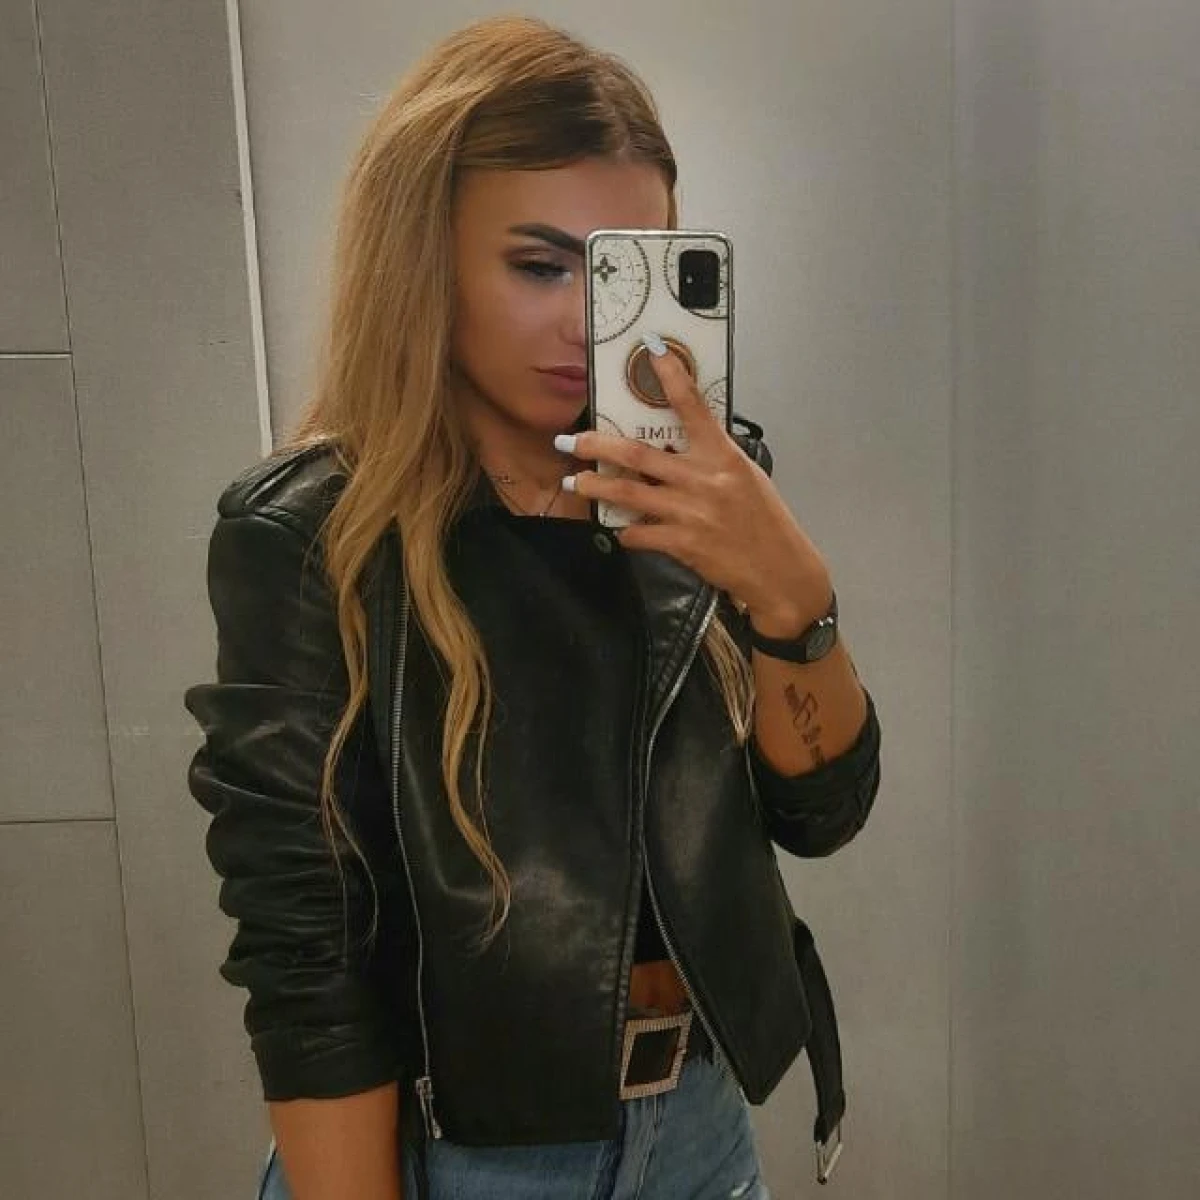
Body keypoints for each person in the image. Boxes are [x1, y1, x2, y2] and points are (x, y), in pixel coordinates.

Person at [184, 14, 881, 1200]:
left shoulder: (700, 496)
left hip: (700, 1135)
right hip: (464, 1159)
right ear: (424, 257)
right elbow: (307, 959)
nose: (585, 323)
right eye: (542, 266)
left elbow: (821, 813)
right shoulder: (311, 539)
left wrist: (792, 595)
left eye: (622, 270)